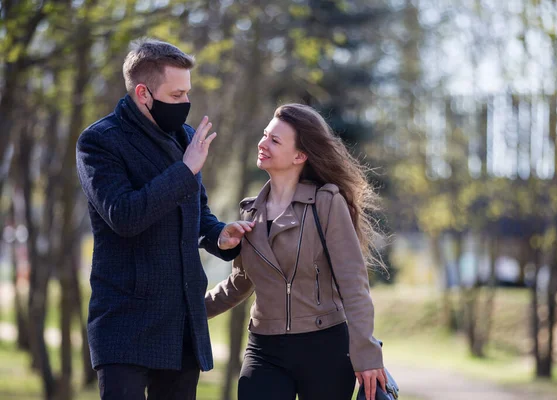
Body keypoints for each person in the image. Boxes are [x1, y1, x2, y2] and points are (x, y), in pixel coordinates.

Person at [75, 38, 254, 400]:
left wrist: (219, 235)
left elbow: (196, 211)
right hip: (124, 322)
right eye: (176, 96)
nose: (185, 104)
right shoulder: (99, 142)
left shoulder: (185, 137)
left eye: (188, 93)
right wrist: (186, 169)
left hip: (181, 323)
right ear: (143, 93)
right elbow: (123, 216)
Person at [205, 103, 387, 400]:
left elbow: (353, 283)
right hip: (265, 350)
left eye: (275, 140)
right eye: (265, 135)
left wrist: (367, 355)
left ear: (300, 156)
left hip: (325, 349)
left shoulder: (327, 203)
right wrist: (192, 312)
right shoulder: (250, 213)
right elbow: (240, 283)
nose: (263, 143)